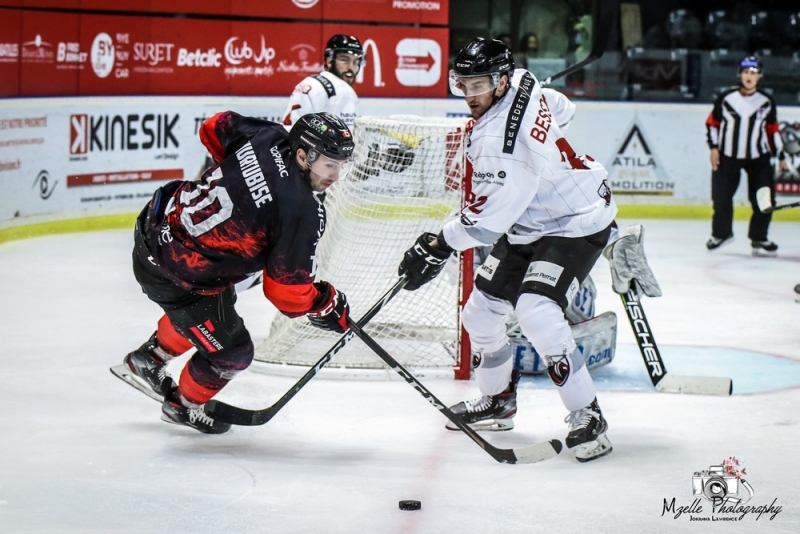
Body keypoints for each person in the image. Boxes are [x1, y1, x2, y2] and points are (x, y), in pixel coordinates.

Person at [398, 37, 618, 462]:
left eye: (478, 85)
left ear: (500, 82)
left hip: (575, 220)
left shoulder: (499, 140)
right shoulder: (522, 80)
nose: (469, 94)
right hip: (531, 221)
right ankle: (498, 401)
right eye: (463, 84)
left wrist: (439, 244)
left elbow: (487, 223)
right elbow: (564, 110)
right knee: (479, 314)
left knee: (537, 311)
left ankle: (588, 414)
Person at [111, 111, 356, 434]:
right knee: (233, 352)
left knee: (219, 303)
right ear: (302, 155)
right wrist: (323, 302)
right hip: (173, 275)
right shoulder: (302, 210)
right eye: (329, 165)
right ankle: (182, 406)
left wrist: (238, 181)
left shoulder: (269, 136)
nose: (335, 176)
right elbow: (287, 295)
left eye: (341, 166)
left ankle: (150, 358)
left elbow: (214, 126)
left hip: (155, 222)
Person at [705, 56, 788, 256]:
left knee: (764, 199)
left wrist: (781, 156)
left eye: (753, 73)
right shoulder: (726, 98)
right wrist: (714, 148)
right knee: (721, 197)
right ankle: (721, 234)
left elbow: (772, 131)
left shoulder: (766, 102)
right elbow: (712, 124)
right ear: (739, 74)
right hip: (727, 155)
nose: (749, 76)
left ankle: (759, 238)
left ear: (759, 76)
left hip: (758, 158)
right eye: (745, 72)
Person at [282, 34, 364, 129]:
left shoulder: (308, 82)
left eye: (356, 62)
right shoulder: (344, 90)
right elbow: (347, 135)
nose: (351, 67)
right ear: (329, 61)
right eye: (344, 60)